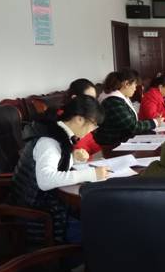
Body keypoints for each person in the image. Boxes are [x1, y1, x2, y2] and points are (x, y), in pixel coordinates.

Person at [10, 95, 109, 243]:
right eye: (93, 125)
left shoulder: (56, 132)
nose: (93, 130)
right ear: (79, 119)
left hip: (48, 206)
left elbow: (55, 165)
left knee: (101, 222)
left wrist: (73, 158)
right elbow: (46, 180)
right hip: (38, 217)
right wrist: (91, 174)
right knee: (102, 236)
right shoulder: (49, 142)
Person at [93, 68, 162, 146]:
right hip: (113, 145)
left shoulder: (120, 99)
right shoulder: (113, 101)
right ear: (126, 84)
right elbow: (132, 126)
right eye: (135, 85)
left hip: (122, 141)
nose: (135, 89)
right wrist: (155, 122)